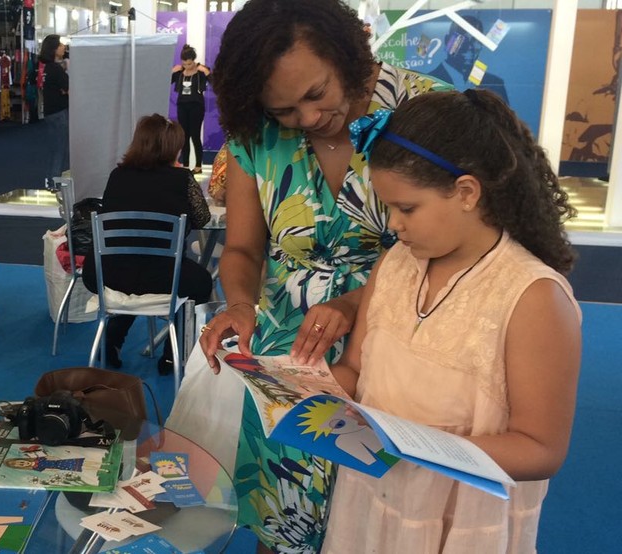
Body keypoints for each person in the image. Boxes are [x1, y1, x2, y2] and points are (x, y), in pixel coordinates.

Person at [195, 0, 448, 550]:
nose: (306, 120)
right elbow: (241, 248)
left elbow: (462, 251)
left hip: (400, 347)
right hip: (289, 362)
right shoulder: (255, 135)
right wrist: (240, 303)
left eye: (316, 94)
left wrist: (357, 303)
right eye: (284, 110)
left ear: (346, 55)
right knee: (285, 520)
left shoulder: (427, 113)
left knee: (384, 518)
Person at [322, 89, 581, 552]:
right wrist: (301, 393)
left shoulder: (532, 296)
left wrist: (416, 446)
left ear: (466, 192)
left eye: (406, 208)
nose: (393, 225)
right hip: (374, 493)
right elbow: (356, 370)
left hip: (456, 518)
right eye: (387, 207)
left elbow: (541, 447)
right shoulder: (395, 264)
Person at [82, 114, 211, 374]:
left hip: (107, 274)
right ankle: (173, 355)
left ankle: (113, 338)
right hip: (163, 277)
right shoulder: (183, 179)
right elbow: (202, 219)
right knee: (202, 283)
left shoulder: (117, 176)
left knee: (134, 267)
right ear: (173, 148)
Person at [427, 16, 509, 103]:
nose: (470, 47)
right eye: (462, 39)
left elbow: (503, 116)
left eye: (477, 41)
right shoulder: (428, 82)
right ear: (447, 41)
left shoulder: (494, 83)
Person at [171, 44, 211, 174]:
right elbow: (165, 81)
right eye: (185, 64)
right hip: (182, 105)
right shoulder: (179, 72)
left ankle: (198, 166)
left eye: (189, 64)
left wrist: (207, 73)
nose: (187, 66)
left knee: (195, 135)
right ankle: (186, 165)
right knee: (184, 136)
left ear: (194, 61)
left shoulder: (200, 72)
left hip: (196, 106)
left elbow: (215, 83)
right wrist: (171, 72)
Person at [40, 34, 69, 185]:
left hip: (50, 113)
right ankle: (55, 184)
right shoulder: (56, 69)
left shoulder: (48, 69)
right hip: (59, 113)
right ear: (53, 49)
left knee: (55, 150)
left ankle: (51, 181)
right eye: (60, 45)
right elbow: (69, 88)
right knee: (60, 150)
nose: (63, 47)